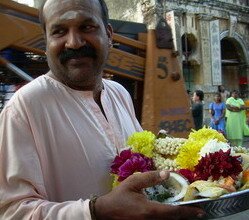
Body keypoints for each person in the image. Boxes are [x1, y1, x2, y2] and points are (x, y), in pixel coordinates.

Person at [0, 0, 205, 219]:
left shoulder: (119, 94)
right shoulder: (23, 108)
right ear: (46, 41)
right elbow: (11, 212)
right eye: (59, 31)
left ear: (108, 34)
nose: (74, 43)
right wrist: (96, 211)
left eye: (86, 27)